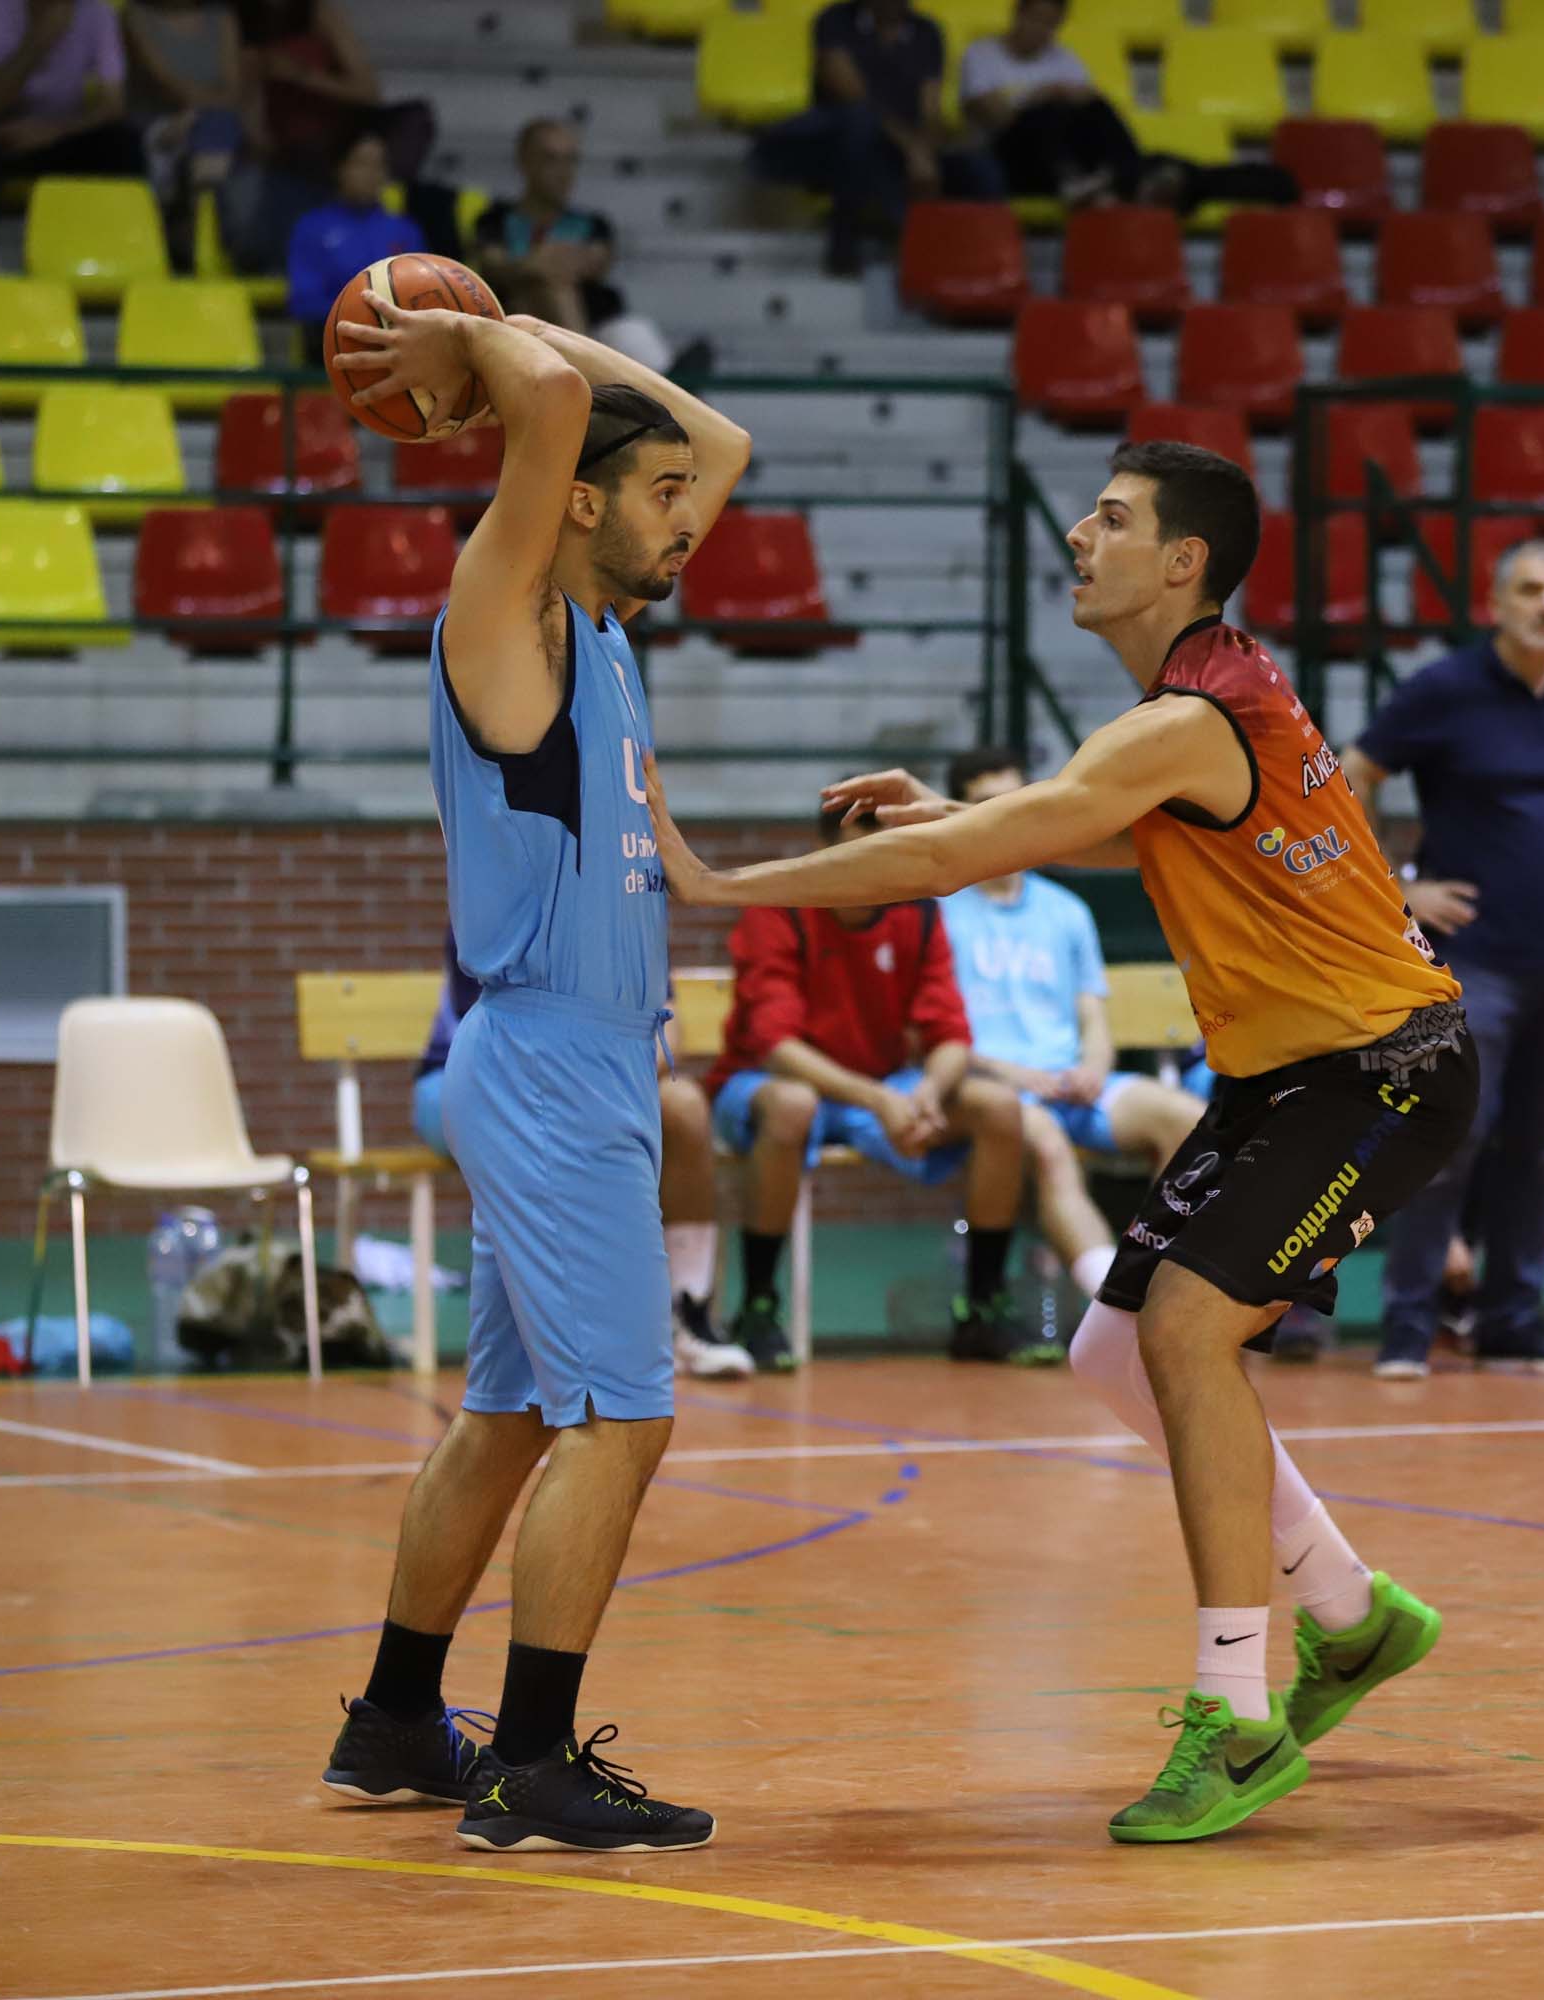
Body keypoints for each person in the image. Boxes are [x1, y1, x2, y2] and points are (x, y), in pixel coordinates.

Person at [637, 440, 1477, 1845]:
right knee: (1113, 1344)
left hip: (1383, 1074)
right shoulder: (1204, 704)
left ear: (1182, 563)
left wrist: (718, 879)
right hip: (1290, 1080)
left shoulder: (1182, 719)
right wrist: (985, 813)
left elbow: (957, 864)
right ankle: (1348, 1612)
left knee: (1192, 1330)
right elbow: (1119, 831)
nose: (1080, 536)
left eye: (1114, 519)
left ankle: (1238, 1713)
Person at [316, 279, 751, 1850]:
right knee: (625, 1418)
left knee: (508, 1413)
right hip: (549, 1061)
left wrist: (530, 344)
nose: (688, 514)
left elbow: (720, 434)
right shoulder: (500, 610)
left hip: (584, 1066)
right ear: (571, 502)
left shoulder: (609, 621)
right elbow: (560, 420)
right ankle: (537, 1759)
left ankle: (392, 1720)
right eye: (655, 500)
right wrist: (487, 361)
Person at [1340, 539, 1544, 1380]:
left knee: (1542, 1142)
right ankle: (1406, 1329)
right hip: (1472, 959)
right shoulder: (1446, 690)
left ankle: (1512, 1323)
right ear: (1496, 602)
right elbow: (1351, 776)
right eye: (1531, 591)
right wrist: (1402, 886)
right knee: (1449, 1133)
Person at [704, 805, 1037, 1369]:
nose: (881, 866)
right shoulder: (780, 908)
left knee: (999, 1109)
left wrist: (928, 1092)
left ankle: (982, 1307)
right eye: (866, 851)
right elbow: (776, 1045)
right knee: (792, 1106)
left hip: (879, 1086)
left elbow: (950, 1032)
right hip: (768, 1082)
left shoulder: (919, 914)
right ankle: (758, 1305)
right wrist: (881, 1100)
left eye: (891, 852)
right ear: (828, 850)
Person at [410, 932, 755, 1383]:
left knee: (684, 1105)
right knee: (541, 1122)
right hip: (471, 1076)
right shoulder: (501, 899)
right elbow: (507, 1039)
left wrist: (605, 1084)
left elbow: (668, 1032)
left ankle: (688, 1314)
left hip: (594, 1080)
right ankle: (534, 1333)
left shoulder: (631, 910)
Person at [938, 743, 1209, 1307]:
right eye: (987, 803)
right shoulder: (941, 912)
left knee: (1188, 1121)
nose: (1005, 814)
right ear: (957, 812)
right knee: (1051, 1149)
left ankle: (1164, 1288)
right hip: (992, 1090)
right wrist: (1016, 1075)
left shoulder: (1066, 910)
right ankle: (1113, 1304)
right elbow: (936, 1036)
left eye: (1016, 800)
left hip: (1072, 1084)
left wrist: (1094, 1066)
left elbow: (1092, 1016)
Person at [748, 0, 1000, 277]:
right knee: (861, 128)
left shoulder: (927, 31)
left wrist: (926, 149)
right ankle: (846, 248)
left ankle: (988, 271)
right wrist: (913, 148)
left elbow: (930, 109)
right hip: (839, 140)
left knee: (979, 166)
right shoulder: (835, 20)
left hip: (899, 148)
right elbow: (850, 93)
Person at [233, 0, 435, 267]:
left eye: (375, 167)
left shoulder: (317, 13)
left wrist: (300, 74)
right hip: (289, 157)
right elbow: (247, 116)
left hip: (335, 136)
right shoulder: (241, 23)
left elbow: (368, 91)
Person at [471, 119, 672, 375]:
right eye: (551, 159)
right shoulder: (494, 220)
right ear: (525, 162)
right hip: (520, 328)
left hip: (596, 326)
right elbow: (493, 265)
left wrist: (535, 261)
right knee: (547, 284)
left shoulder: (593, 223)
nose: (564, 172)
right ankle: (585, 379)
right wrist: (542, 267)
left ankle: (679, 396)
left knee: (635, 332)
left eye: (571, 160)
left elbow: (596, 263)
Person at [0, 0, 148, 194]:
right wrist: (38, 41)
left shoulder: (97, 12)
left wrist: (52, 132)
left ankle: (115, 225)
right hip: (2, 133)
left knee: (124, 143)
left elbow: (113, 105)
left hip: (62, 133)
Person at [958, 0, 1137, 207]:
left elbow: (1090, 113)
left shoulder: (1065, 59)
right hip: (1009, 157)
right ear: (1018, 14)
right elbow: (995, 117)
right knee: (1044, 114)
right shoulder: (982, 55)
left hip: (1064, 152)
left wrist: (1076, 97)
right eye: (1036, 19)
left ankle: (1123, 174)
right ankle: (1082, 181)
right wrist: (1038, 96)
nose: (1040, 30)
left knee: (1098, 107)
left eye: (1049, 24)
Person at [122, 0, 250, 232]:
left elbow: (234, 90)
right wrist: (203, 109)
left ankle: (202, 231)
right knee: (212, 129)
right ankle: (193, 226)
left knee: (217, 128)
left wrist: (199, 113)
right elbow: (164, 84)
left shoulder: (222, 18)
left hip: (213, 123)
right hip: (152, 127)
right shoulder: (136, 16)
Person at [283, 126, 417, 343]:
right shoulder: (312, 227)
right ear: (340, 168)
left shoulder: (404, 229)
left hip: (397, 343)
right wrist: (363, 316)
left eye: (379, 165)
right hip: (332, 340)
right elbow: (304, 301)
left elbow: (419, 295)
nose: (371, 174)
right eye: (362, 164)